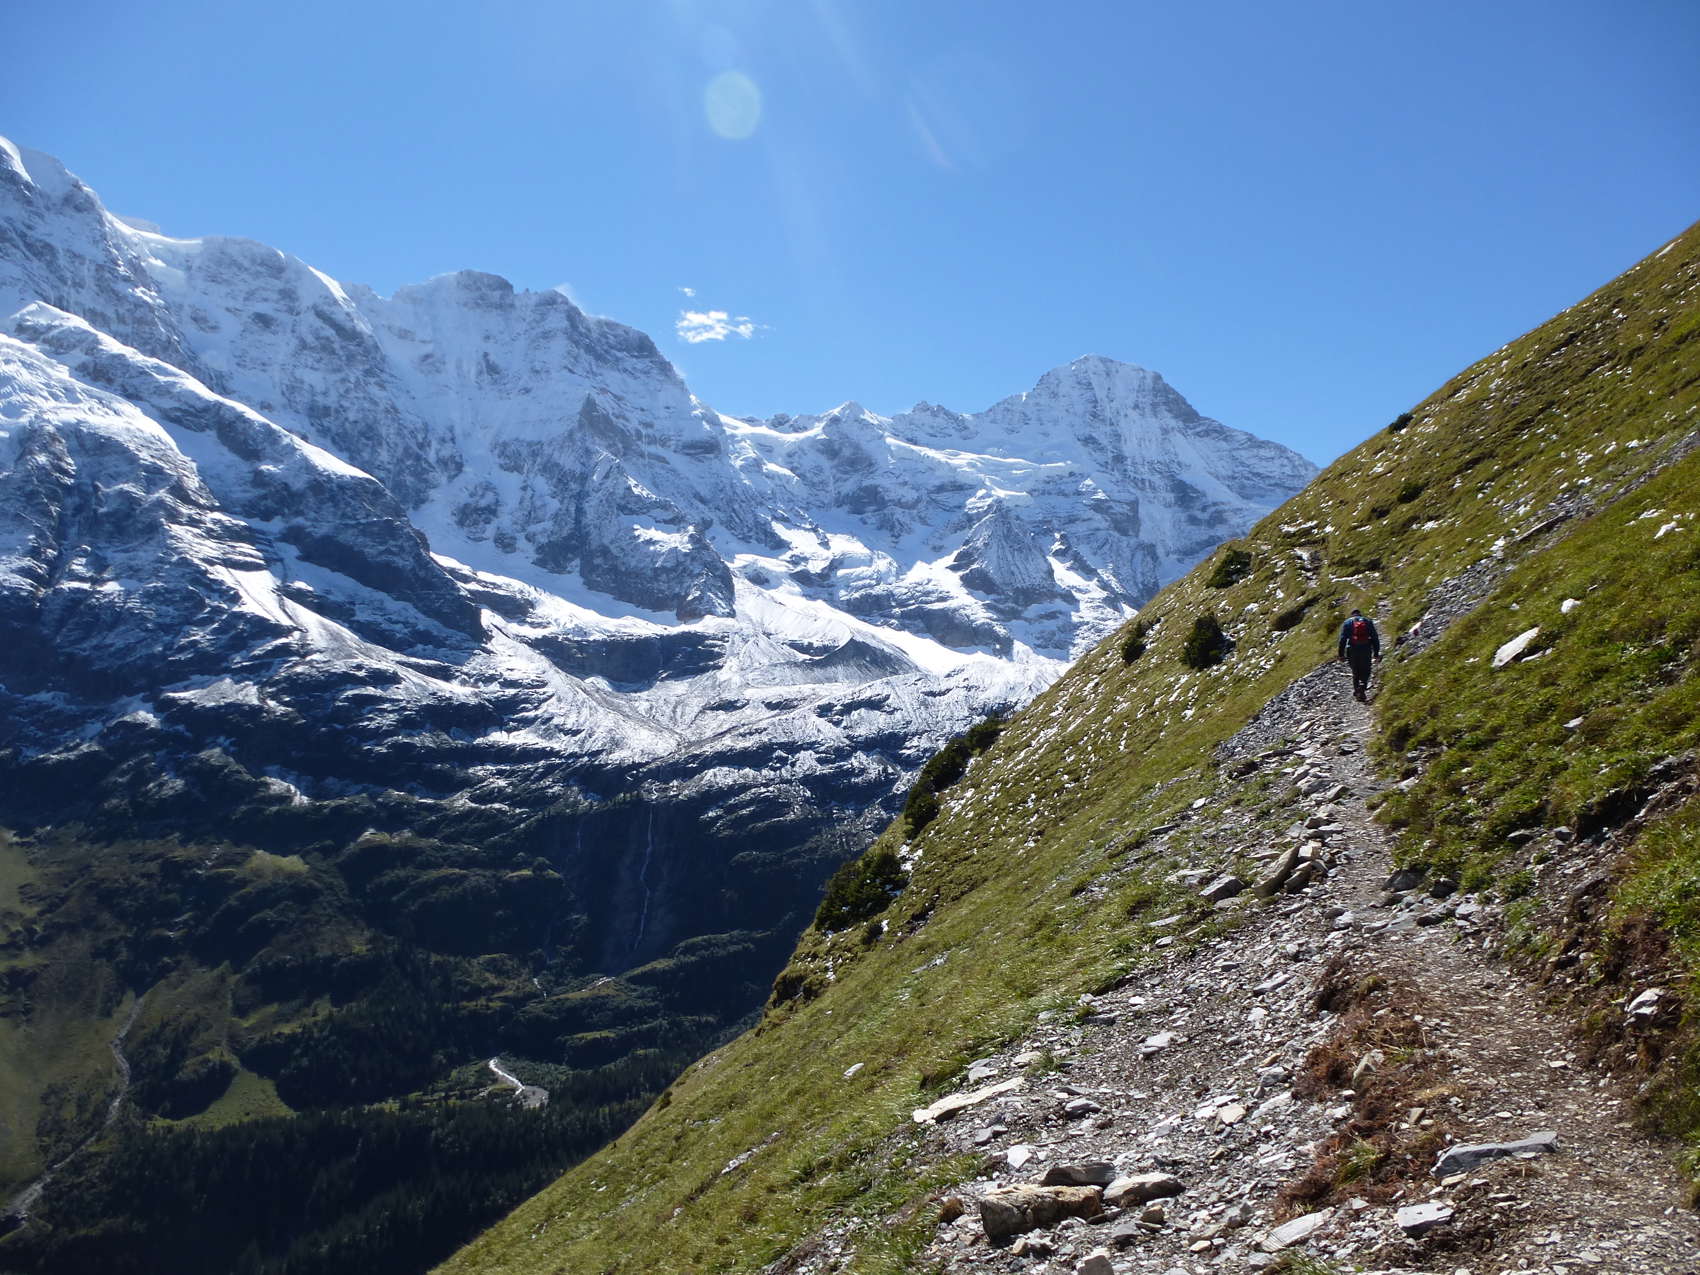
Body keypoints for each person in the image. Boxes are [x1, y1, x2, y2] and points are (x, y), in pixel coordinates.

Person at [1336, 608, 1381, 701]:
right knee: (1366, 670)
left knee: (1355, 671)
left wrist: (1341, 654)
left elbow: (1342, 640)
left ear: (1352, 614)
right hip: (1366, 649)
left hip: (1352, 649)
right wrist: (1376, 653)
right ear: (1360, 614)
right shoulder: (1368, 621)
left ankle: (1357, 691)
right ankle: (1362, 687)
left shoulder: (1347, 623)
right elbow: (1375, 637)